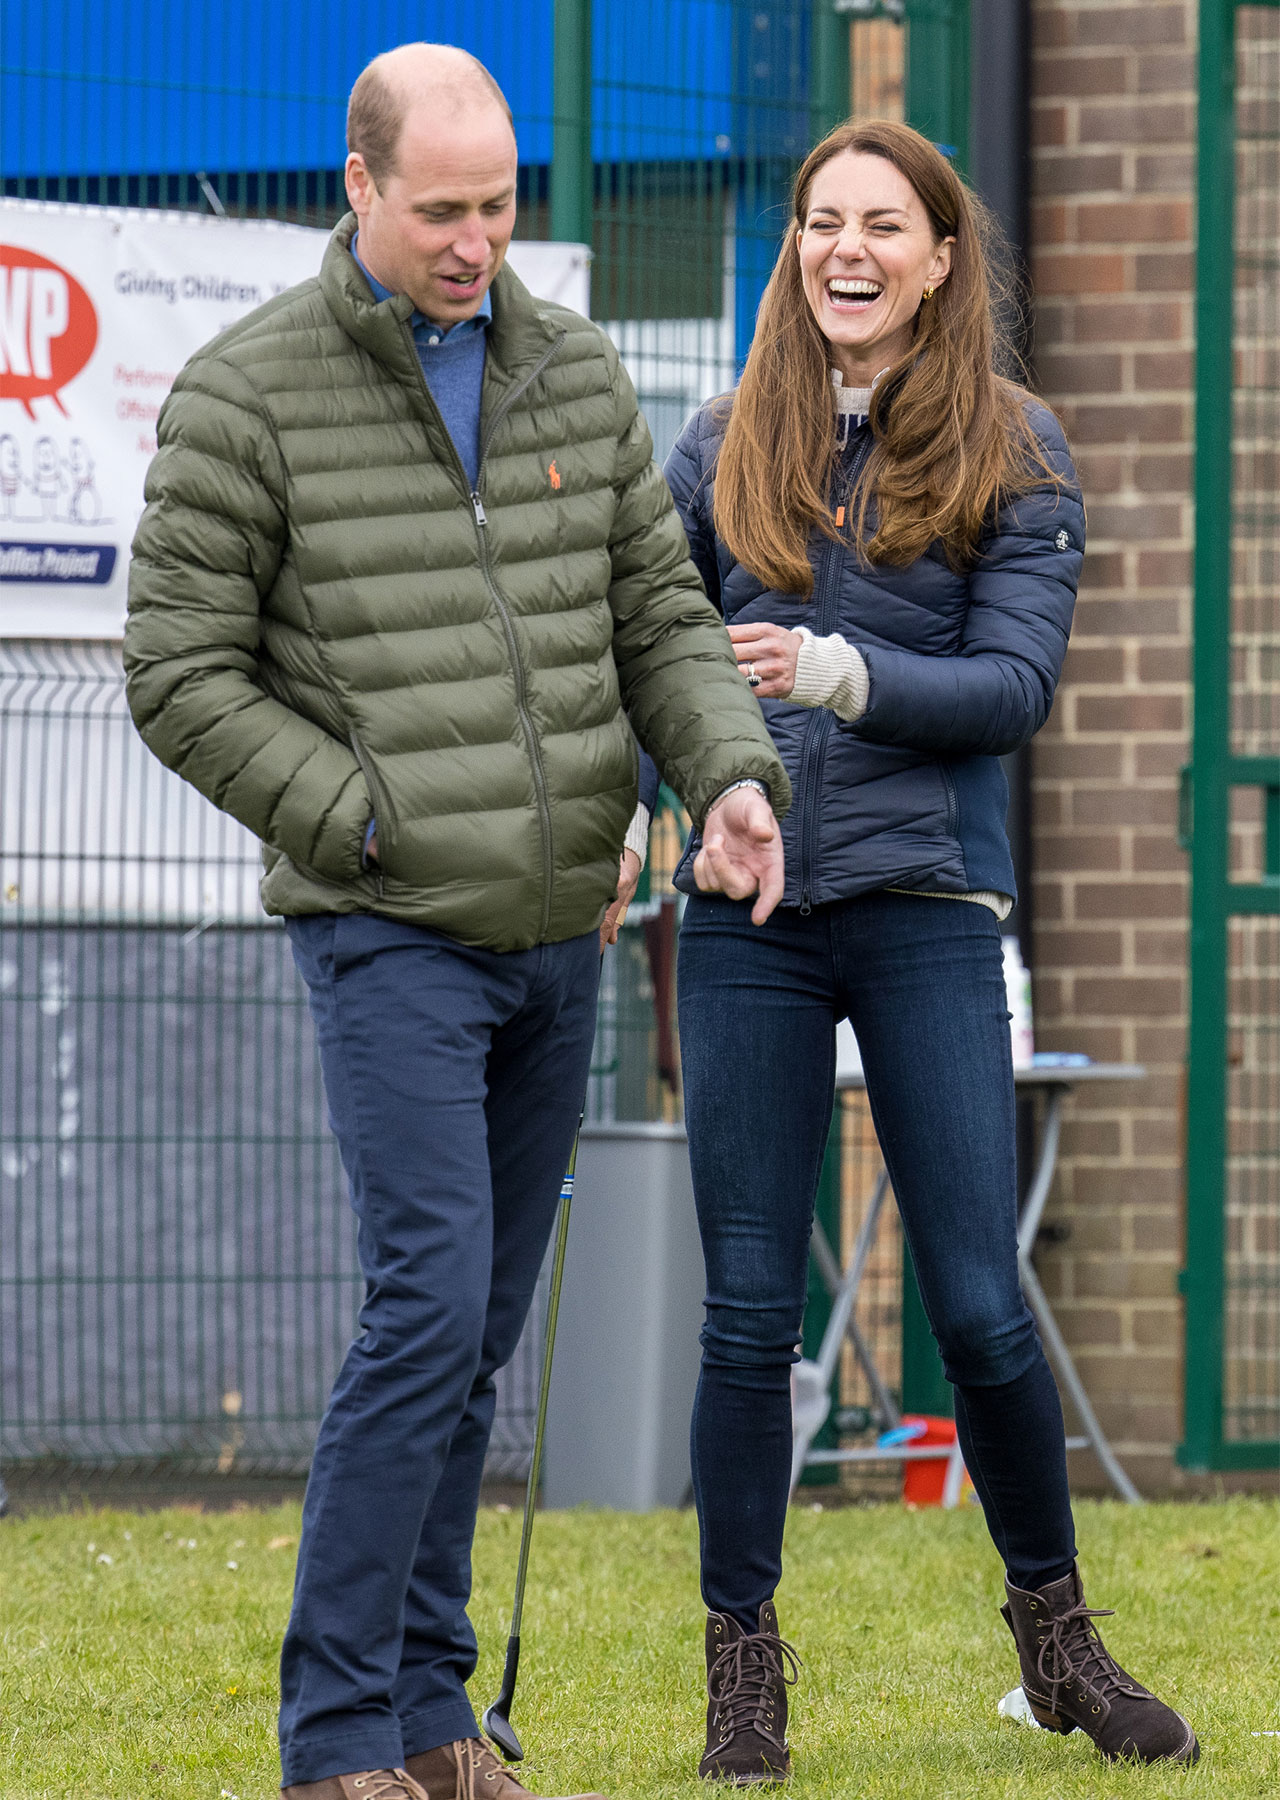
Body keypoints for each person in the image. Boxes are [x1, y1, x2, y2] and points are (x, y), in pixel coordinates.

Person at [124, 43, 789, 1800]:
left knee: (474, 1334)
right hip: (388, 928)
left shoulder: (572, 374)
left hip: (559, 932)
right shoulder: (244, 395)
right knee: (426, 1306)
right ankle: (336, 1735)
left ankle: (431, 1721)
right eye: (442, 210)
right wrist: (362, 820)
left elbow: (656, 611)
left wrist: (724, 776)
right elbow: (177, 675)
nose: (476, 240)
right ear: (357, 188)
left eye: (500, 207)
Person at [664, 118, 1198, 1783]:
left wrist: (837, 676)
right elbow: (656, 656)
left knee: (976, 1298)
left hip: (925, 917)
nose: (847, 250)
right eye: (823, 221)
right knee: (751, 1313)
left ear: (943, 255)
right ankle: (742, 1676)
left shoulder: (1018, 451)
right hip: (747, 921)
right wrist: (673, 801)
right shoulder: (711, 446)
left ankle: (1057, 1644)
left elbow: (1014, 694)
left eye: (883, 225)